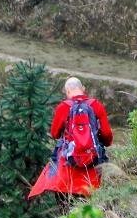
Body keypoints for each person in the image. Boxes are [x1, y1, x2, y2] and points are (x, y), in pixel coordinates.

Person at [28, 77, 113, 208]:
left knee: (65, 211)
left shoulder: (63, 107)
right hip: (91, 171)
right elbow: (107, 135)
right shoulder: (96, 105)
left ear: (67, 91)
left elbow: (55, 133)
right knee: (88, 211)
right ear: (83, 89)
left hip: (66, 171)